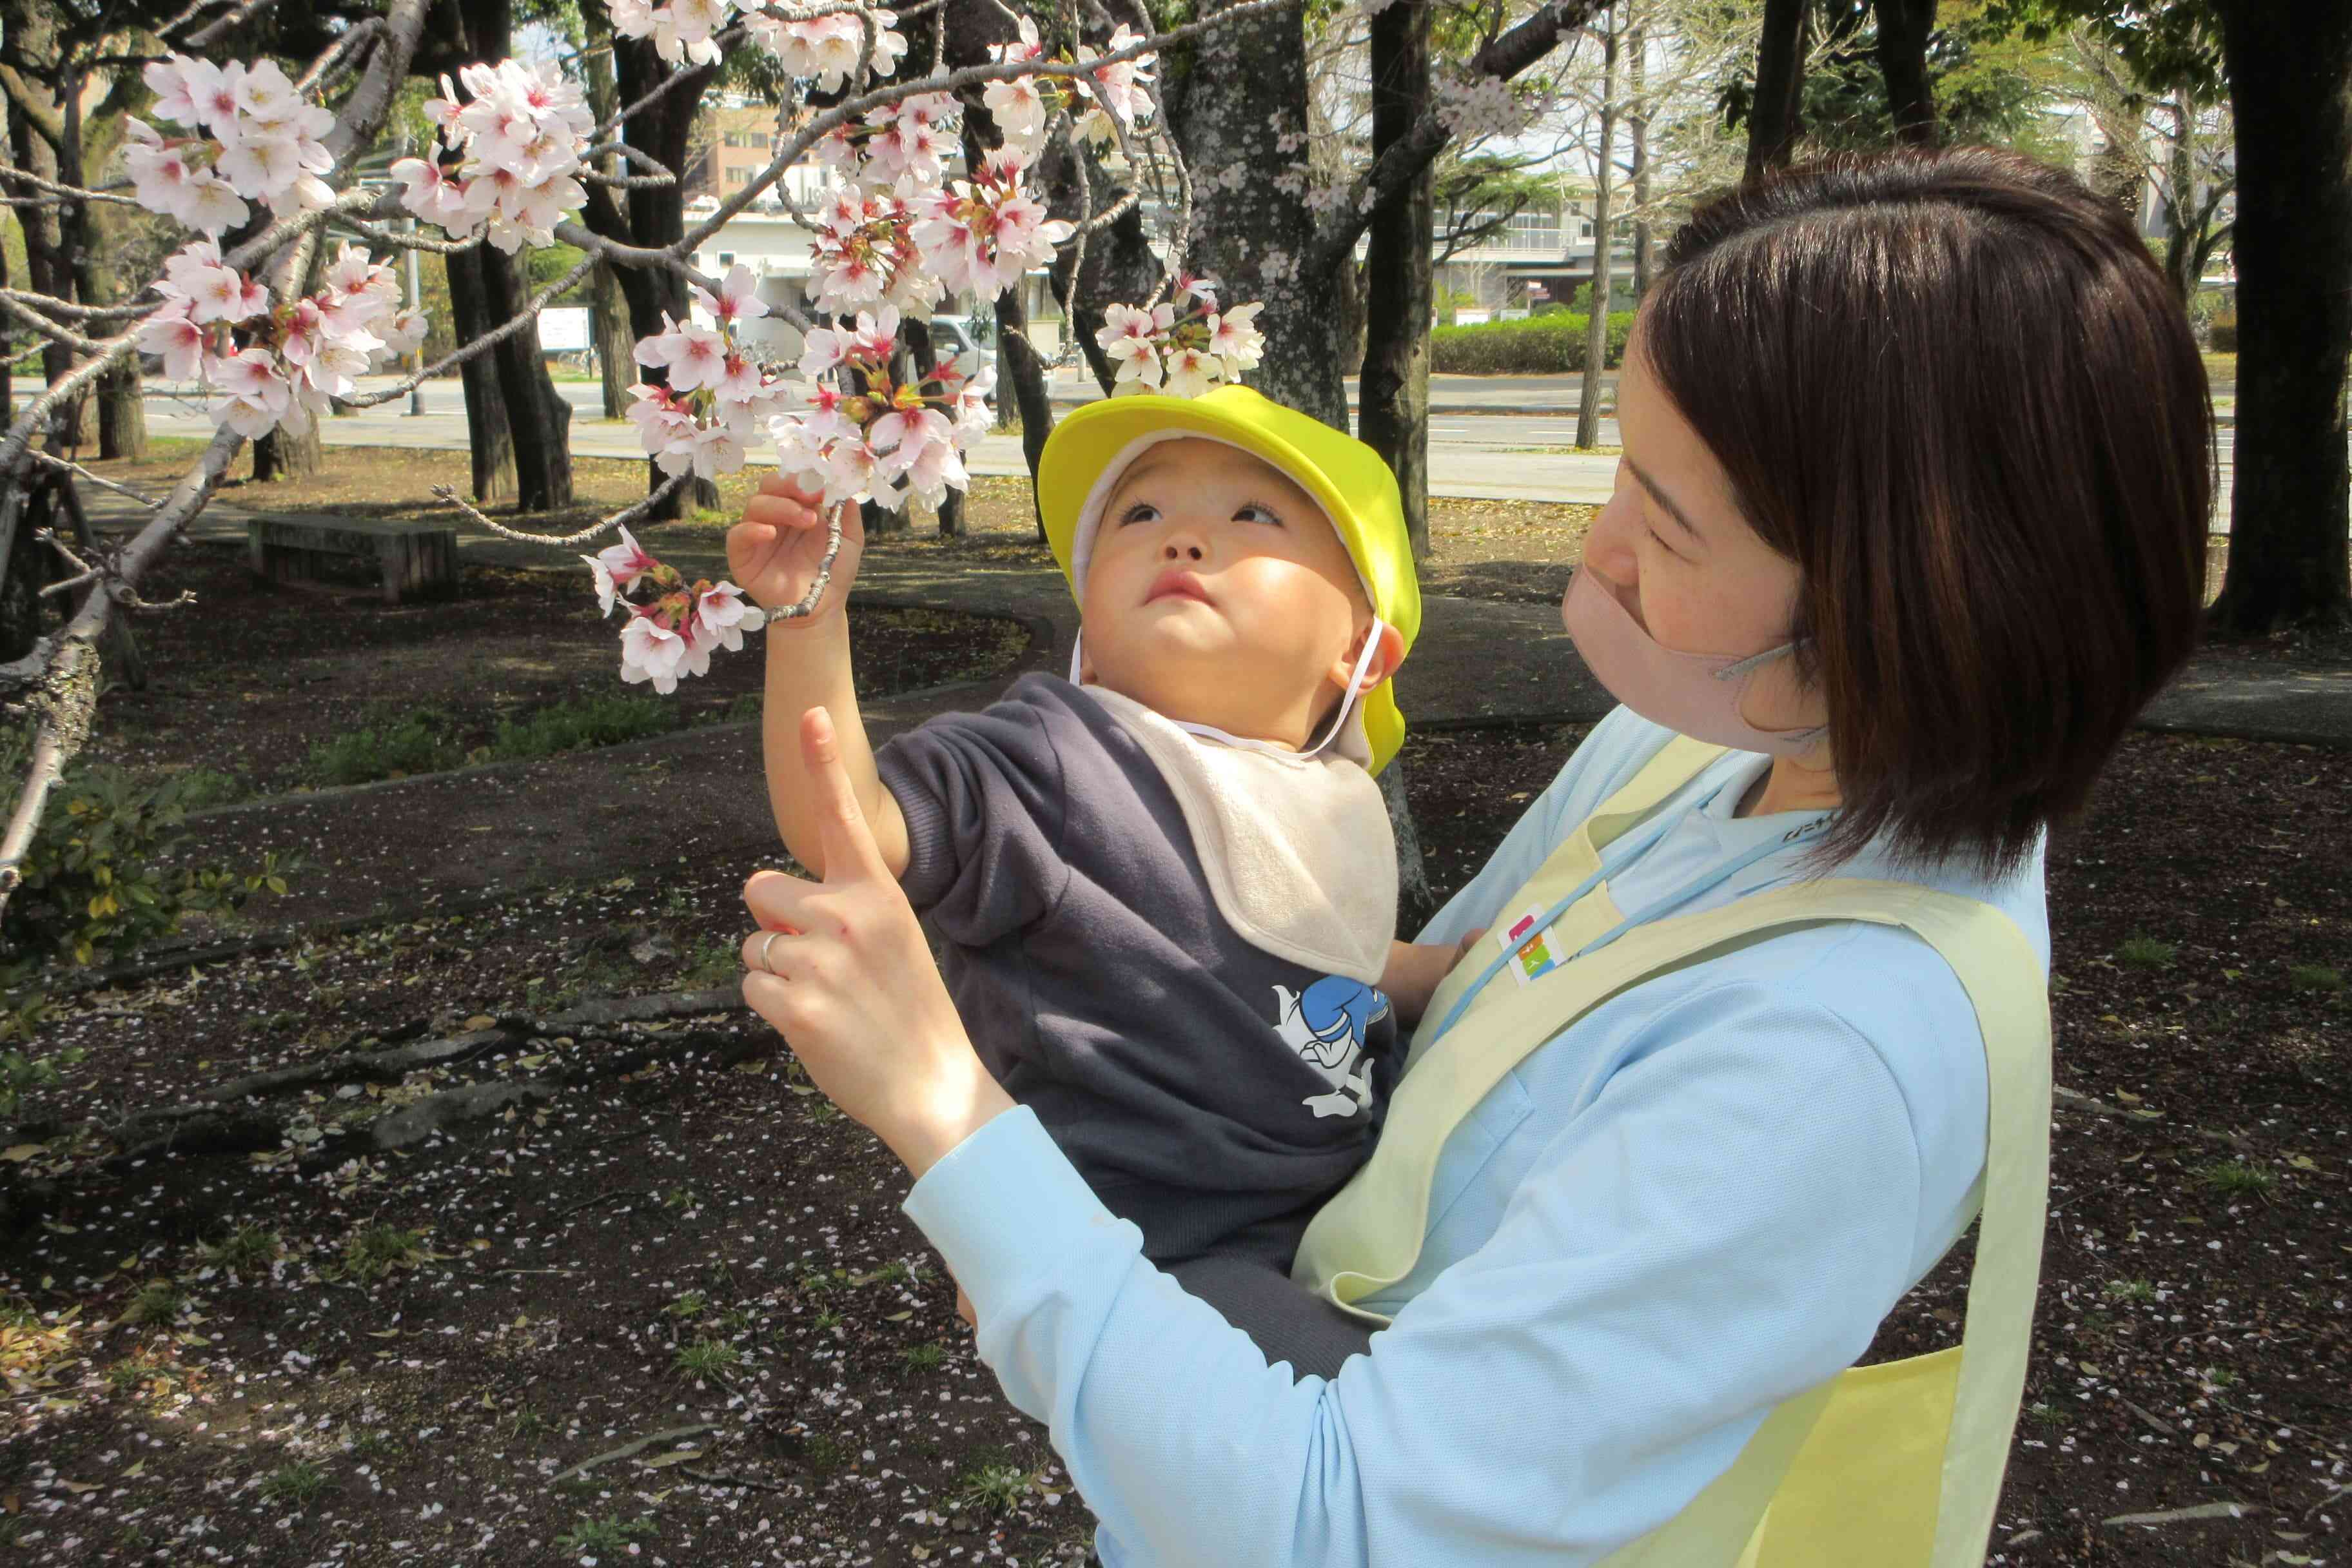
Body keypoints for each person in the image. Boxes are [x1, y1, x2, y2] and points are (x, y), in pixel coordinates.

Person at [734, 146, 2211, 1565]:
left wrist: (951, 1116)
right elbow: (1458, 986)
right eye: (1624, 471)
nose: (1600, 548)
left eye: (1667, 527)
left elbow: (1339, 1527)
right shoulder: (1709, 747)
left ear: (1896, 609)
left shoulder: (1832, 1058)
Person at [730, 386, 1461, 1316]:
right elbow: (851, 823)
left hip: (1348, 1196)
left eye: (1253, 514)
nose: (1182, 538)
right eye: (1141, 513)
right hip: (1155, 1253)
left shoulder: (1326, 798)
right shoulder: (1057, 761)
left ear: (1361, 651)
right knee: (1354, 1389)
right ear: (1093, 644)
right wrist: (808, 622)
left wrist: (1433, 971)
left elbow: (1304, 950)